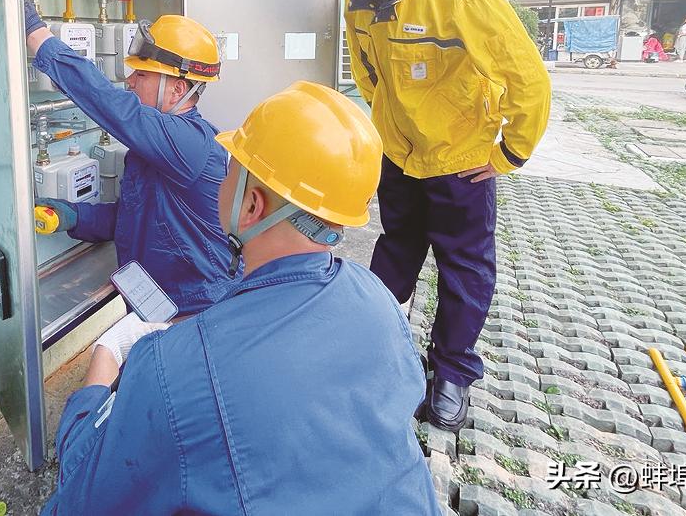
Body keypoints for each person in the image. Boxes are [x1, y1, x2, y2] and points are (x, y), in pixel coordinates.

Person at [42, 82, 440, 515]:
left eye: (231, 167)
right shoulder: (378, 301)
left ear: (251, 205)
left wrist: (106, 356)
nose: (220, 176)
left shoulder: (174, 372)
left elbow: (82, 488)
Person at [323, 0, 551, 432]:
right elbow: (368, 72)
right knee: (395, 252)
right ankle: (372, 345)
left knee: (463, 270)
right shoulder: (359, 0)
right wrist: (387, 132)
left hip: (460, 164)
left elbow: (528, 80)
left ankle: (450, 373)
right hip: (399, 157)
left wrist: (509, 154)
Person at [26, 8, 239, 315]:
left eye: (142, 74)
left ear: (177, 89)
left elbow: (112, 106)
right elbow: (137, 219)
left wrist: (36, 33)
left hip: (199, 307)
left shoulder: (191, 142)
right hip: (161, 303)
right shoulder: (155, 149)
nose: (130, 81)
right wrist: (75, 217)